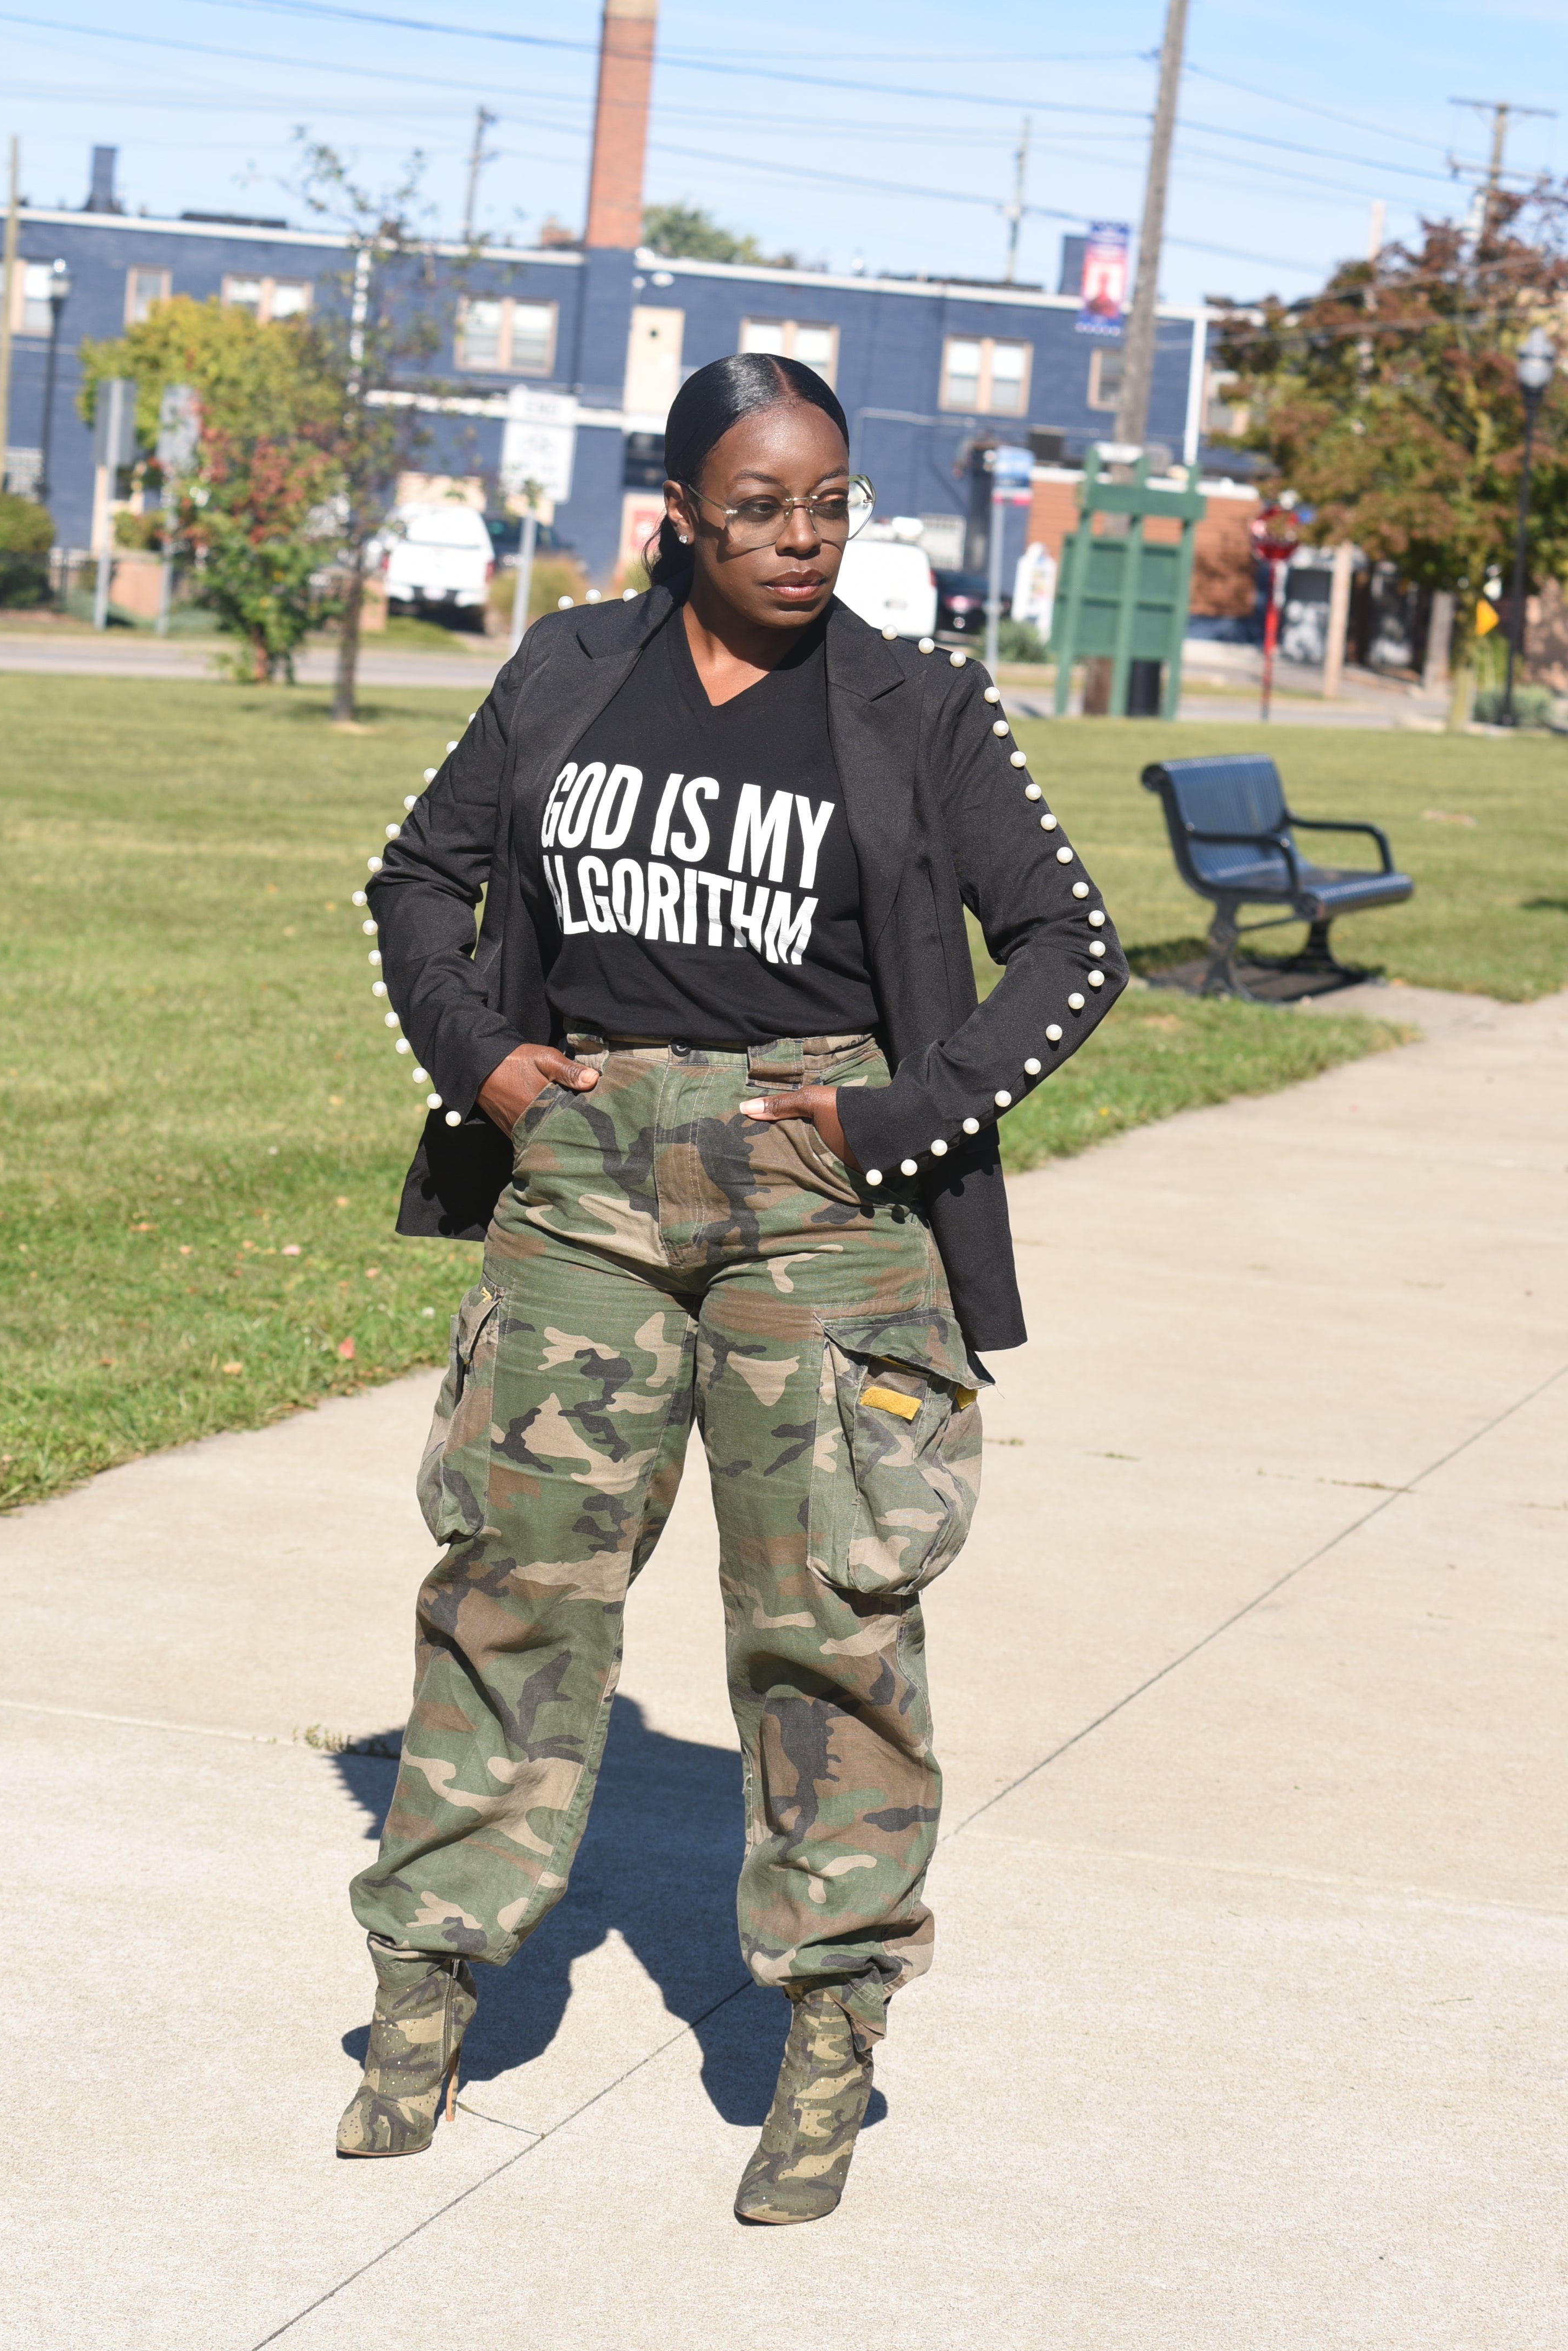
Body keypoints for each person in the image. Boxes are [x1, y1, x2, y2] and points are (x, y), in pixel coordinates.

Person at [338, 352, 1127, 2223]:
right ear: (680, 507)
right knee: (511, 1588)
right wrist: (496, 1070)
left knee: (829, 1623)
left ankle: (830, 2039)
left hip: (815, 1202)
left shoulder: (912, 705)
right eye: (763, 504)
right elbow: (412, 886)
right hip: (586, 1180)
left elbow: (1067, 945)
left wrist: (895, 1123)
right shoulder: (565, 671)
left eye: (833, 503)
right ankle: (427, 1989)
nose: (804, 537)